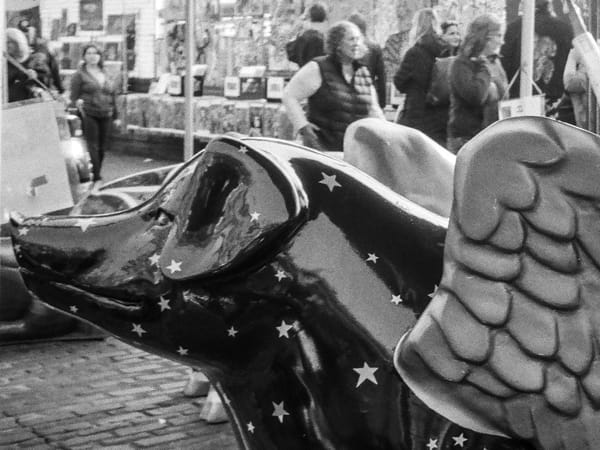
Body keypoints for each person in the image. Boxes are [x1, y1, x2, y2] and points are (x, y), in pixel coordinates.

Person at [282, 21, 385, 152]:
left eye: (358, 39)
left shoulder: (363, 73)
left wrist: (386, 134)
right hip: (323, 151)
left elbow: (374, 111)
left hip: (354, 152)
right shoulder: (318, 68)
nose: (356, 44)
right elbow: (289, 95)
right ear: (338, 44)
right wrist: (303, 126)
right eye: (351, 39)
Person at [447, 14, 508, 154]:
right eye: (498, 36)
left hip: (492, 137)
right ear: (484, 37)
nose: (502, 42)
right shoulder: (461, 64)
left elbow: (505, 95)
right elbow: (476, 96)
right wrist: (484, 67)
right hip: (466, 140)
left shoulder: (496, 62)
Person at [393, 8, 449, 146]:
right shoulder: (446, 50)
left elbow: (398, 81)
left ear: (417, 26)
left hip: (416, 114)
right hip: (441, 115)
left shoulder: (414, 52)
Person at [500, 0, 573, 104]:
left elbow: (505, 62)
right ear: (549, 5)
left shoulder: (514, 28)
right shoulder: (565, 29)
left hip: (519, 96)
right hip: (555, 97)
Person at [70, 44, 119, 184]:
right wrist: (77, 103)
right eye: (89, 53)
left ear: (100, 56)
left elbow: (113, 95)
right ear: (84, 56)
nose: (92, 56)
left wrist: (117, 115)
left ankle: (96, 170)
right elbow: (74, 96)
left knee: (103, 146)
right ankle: (97, 176)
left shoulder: (106, 73)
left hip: (106, 112)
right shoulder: (79, 75)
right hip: (89, 112)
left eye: (95, 53)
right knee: (93, 145)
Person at [348, 12, 387, 108]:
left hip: (348, 95)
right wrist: (382, 103)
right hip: (369, 94)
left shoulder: (346, 46)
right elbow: (381, 76)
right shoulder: (375, 47)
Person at [287, 3, 328, 67]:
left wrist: (297, 28)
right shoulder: (326, 38)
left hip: (306, 74)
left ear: (309, 17)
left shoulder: (303, 38)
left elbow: (291, 54)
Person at [6, 27, 38, 102]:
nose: (6, 45)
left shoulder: (32, 59)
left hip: (26, 104)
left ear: (17, 42)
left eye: (8, 42)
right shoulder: (4, 61)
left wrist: (34, 75)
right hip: (8, 104)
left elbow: (43, 79)